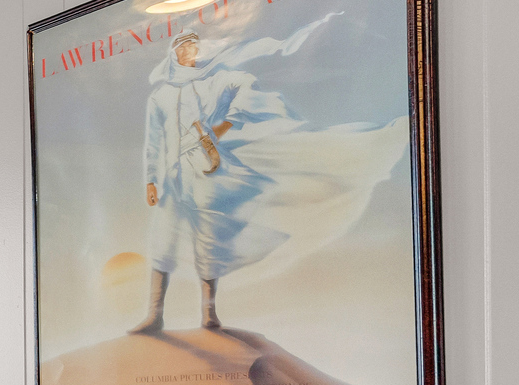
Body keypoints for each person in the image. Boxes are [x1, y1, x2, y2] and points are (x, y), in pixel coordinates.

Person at [136, 25, 409, 333]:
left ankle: (208, 314)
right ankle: (154, 314)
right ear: (174, 53)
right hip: (172, 177)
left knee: (209, 240)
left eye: (194, 48)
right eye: (184, 48)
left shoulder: (215, 82)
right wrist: (150, 179)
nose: (190, 53)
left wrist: (219, 130)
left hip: (206, 170)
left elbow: (247, 91)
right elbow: (154, 141)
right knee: (163, 241)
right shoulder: (160, 95)